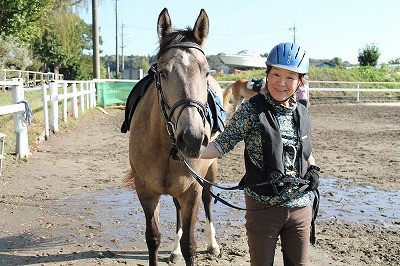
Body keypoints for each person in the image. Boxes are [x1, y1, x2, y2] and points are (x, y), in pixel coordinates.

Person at [201, 42, 320, 265]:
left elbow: (305, 149)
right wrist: (189, 150)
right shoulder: (251, 110)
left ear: (300, 81)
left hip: (301, 208)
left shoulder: (302, 113)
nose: (281, 83)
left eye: (290, 77)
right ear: (267, 74)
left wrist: (313, 168)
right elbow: (220, 145)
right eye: (276, 74)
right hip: (263, 208)